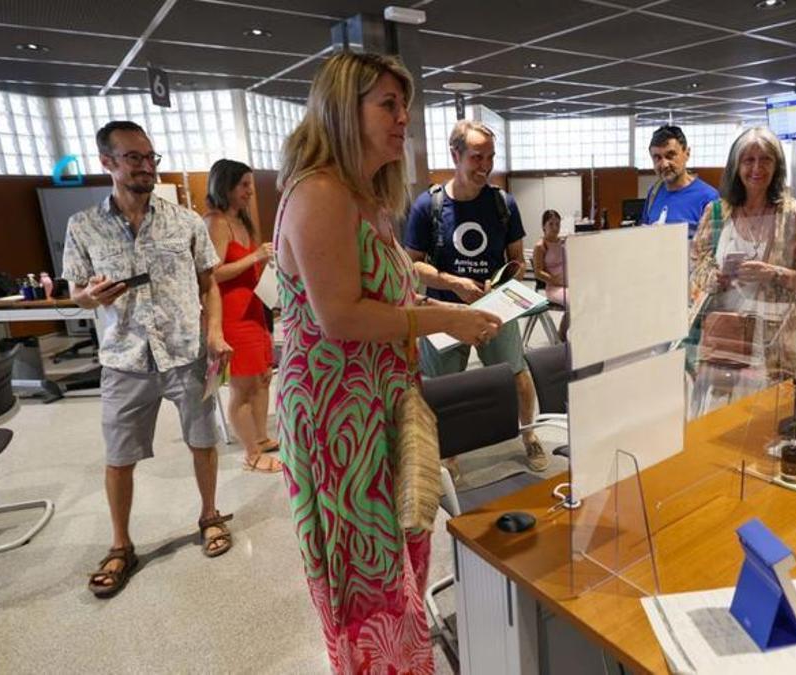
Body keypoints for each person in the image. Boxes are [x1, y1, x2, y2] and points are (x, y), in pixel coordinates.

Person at [274, 52, 500, 673]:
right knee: (367, 575)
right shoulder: (320, 191)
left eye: (405, 105)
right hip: (335, 413)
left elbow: (388, 291)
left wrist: (443, 297)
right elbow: (340, 316)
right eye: (388, 105)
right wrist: (445, 318)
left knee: (400, 555)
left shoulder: (364, 195)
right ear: (344, 111)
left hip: (379, 400)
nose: (404, 119)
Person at [62, 120, 234, 598]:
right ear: (107, 163)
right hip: (124, 358)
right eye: (133, 158)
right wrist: (91, 297)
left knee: (202, 440)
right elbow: (76, 292)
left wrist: (214, 332)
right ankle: (120, 545)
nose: (145, 167)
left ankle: (209, 515)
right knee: (119, 457)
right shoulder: (83, 226)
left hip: (185, 353)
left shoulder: (186, 221)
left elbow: (209, 284)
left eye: (150, 157)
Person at [404, 120, 550, 472]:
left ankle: (528, 433)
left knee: (516, 374)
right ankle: (449, 453)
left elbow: (516, 260)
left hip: (495, 308)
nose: (485, 166)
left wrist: (500, 282)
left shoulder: (503, 203)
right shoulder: (429, 205)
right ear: (455, 155)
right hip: (443, 309)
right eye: (476, 157)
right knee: (443, 389)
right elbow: (411, 266)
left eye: (490, 157)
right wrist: (453, 282)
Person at [688, 126, 796, 417]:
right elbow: (697, 264)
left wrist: (773, 272)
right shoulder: (717, 212)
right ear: (736, 166)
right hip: (724, 338)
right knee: (716, 423)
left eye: (765, 160)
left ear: (777, 166)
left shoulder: (792, 215)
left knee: (765, 421)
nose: (756, 168)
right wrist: (716, 278)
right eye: (748, 160)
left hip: (772, 343)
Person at [204, 159, 279, 473]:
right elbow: (213, 274)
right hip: (232, 313)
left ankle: (260, 438)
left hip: (255, 309)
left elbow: (252, 267)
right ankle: (251, 452)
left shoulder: (243, 221)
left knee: (262, 378)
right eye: (243, 185)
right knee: (242, 384)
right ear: (226, 186)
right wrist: (255, 256)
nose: (250, 191)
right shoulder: (216, 222)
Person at [640, 124, 720, 238]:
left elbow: (714, 248)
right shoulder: (654, 193)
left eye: (670, 155)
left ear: (687, 154)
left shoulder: (709, 198)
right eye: (657, 157)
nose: (664, 164)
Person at [533, 209, 568, 340]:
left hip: (567, 284)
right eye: (551, 224)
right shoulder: (540, 246)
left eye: (558, 224)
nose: (555, 228)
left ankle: (567, 333)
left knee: (586, 298)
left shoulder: (563, 242)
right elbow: (538, 273)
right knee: (574, 303)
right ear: (544, 226)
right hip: (554, 288)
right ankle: (561, 335)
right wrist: (556, 281)